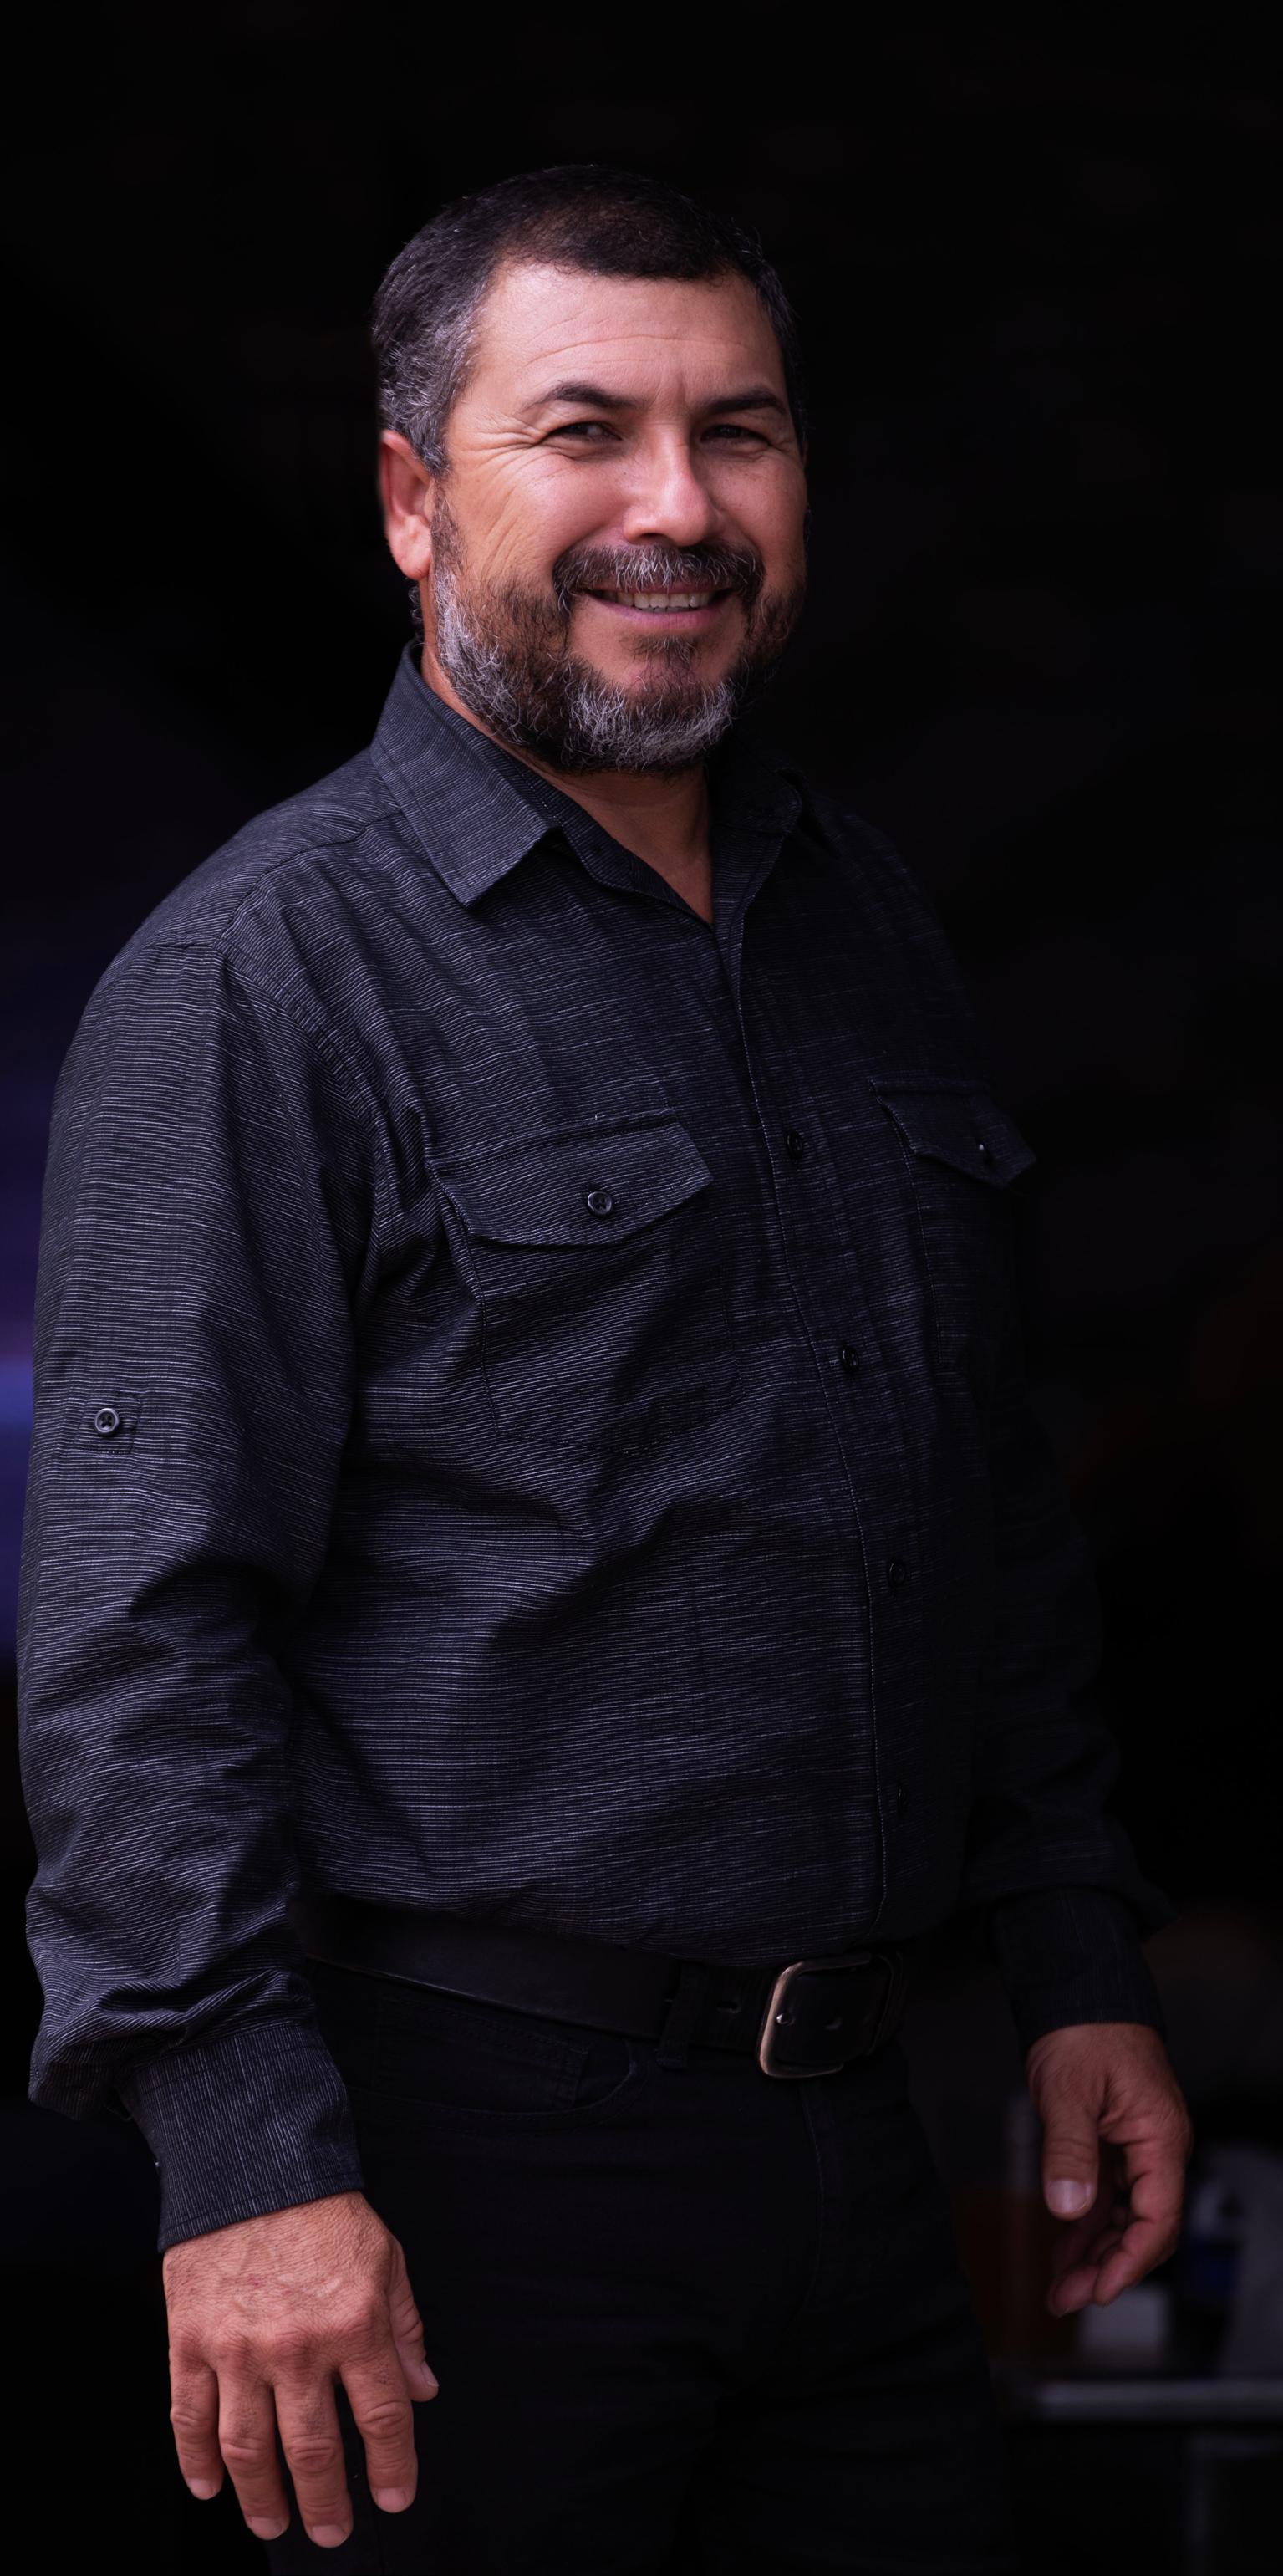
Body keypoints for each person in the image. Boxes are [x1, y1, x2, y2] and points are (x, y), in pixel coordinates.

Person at [18, 165, 1194, 2573]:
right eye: (586, 431)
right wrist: (241, 2164)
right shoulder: (259, 979)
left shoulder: (865, 917)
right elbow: (141, 1633)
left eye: (736, 432)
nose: (678, 506)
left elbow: (978, 1503)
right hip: (450, 2175)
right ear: (409, 497)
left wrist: (1077, 1960)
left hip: (861, 2147)